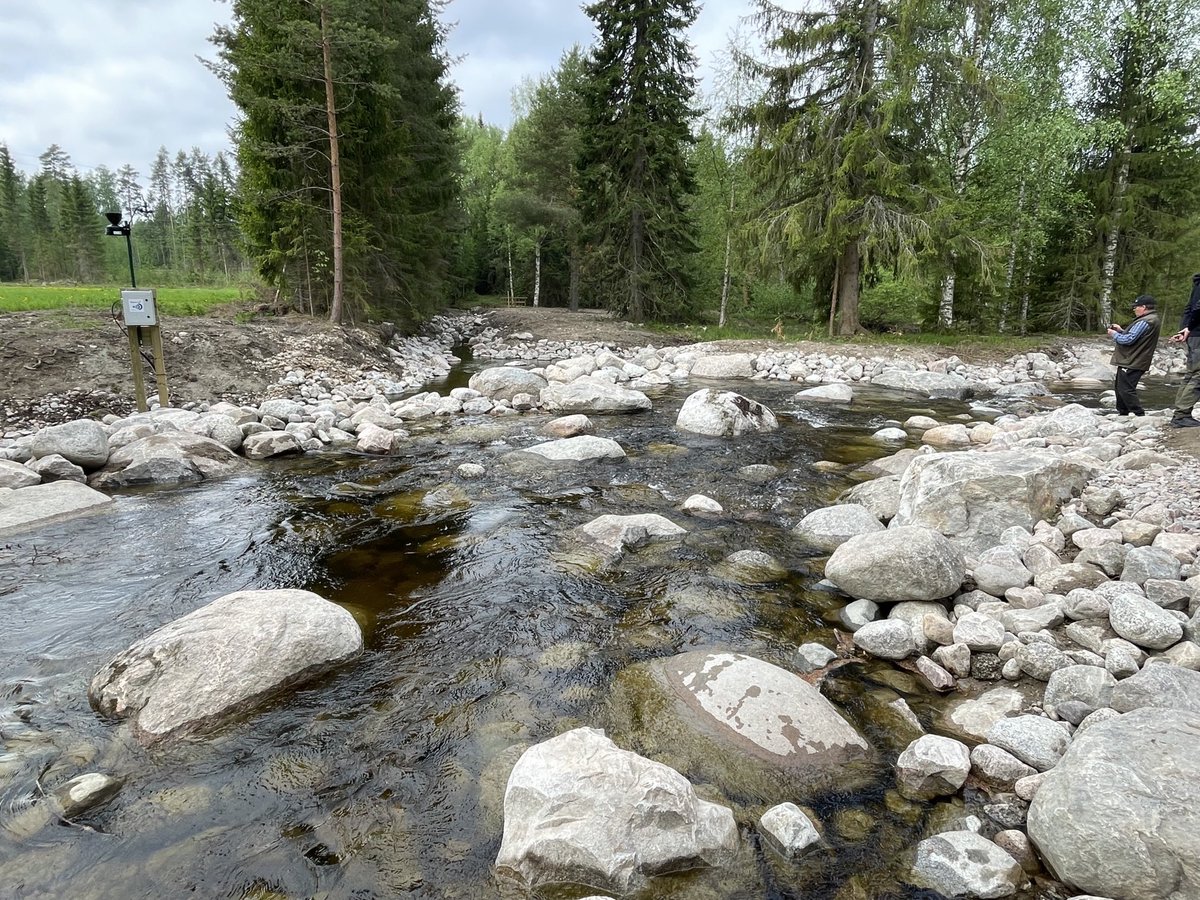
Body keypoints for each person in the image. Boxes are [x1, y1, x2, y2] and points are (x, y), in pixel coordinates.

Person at [1106, 294, 1161, 416]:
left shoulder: (1146, 321)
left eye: (1136, 307)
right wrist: (1120, 331)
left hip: (1133, 360)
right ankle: (1123, 413)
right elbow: (1135, 336)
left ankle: (1138, 414)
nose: (1134, 309)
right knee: (1120, 388)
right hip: (1133, 360)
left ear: (1144, 307)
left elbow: (1128, 340)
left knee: (1126, 389)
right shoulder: (1150, 319)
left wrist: (1114, 334)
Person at [1168, 273, 1200, 427]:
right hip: (1198, 334)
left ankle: (1181, 413)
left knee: (1191, 374)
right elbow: (1197, 307)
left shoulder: (1197, 284)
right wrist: (1189, 327)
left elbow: (1189, 308)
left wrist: (1185, 328)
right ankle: (1181, 415)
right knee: (1198, 375)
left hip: (1194, 334)